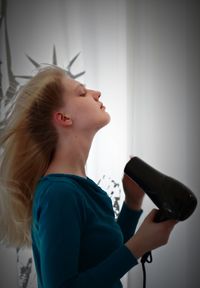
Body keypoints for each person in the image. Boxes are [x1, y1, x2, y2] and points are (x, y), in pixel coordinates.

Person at [0, 66, 177, 288]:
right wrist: (137, 247)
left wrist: (132, 204)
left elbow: (103, 257)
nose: (97, 93)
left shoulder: (78, 187)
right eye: (82, 92)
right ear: (64, 117)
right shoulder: (59, 194)